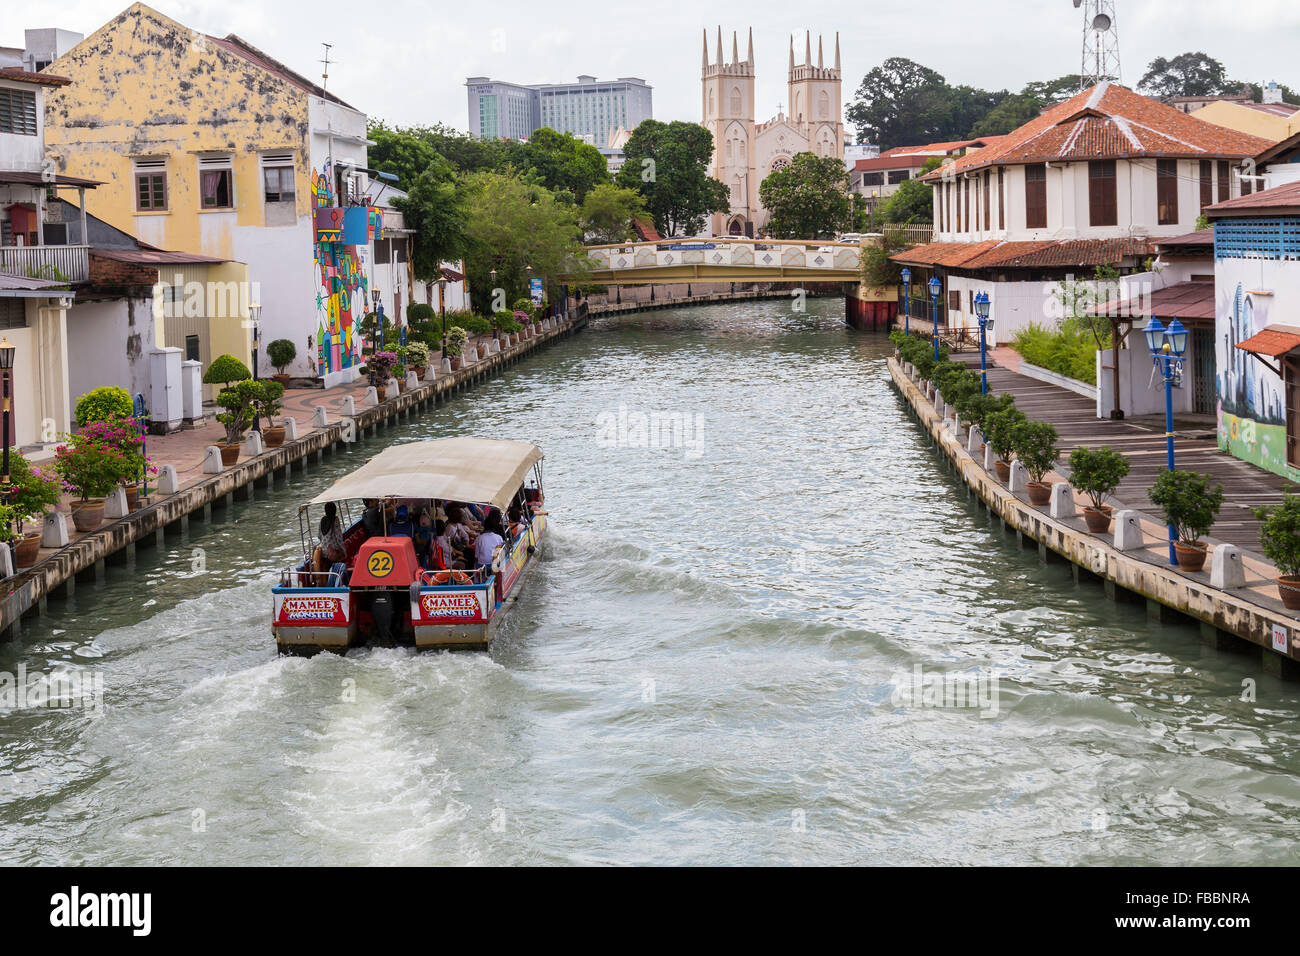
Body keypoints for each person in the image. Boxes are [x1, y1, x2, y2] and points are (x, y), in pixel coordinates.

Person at [318, 502, 346, 568]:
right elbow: (339, 538)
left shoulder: (322, 520)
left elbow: (319, 536)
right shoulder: (335, 520)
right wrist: (344, 551)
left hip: (323, 552)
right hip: (333, 553)